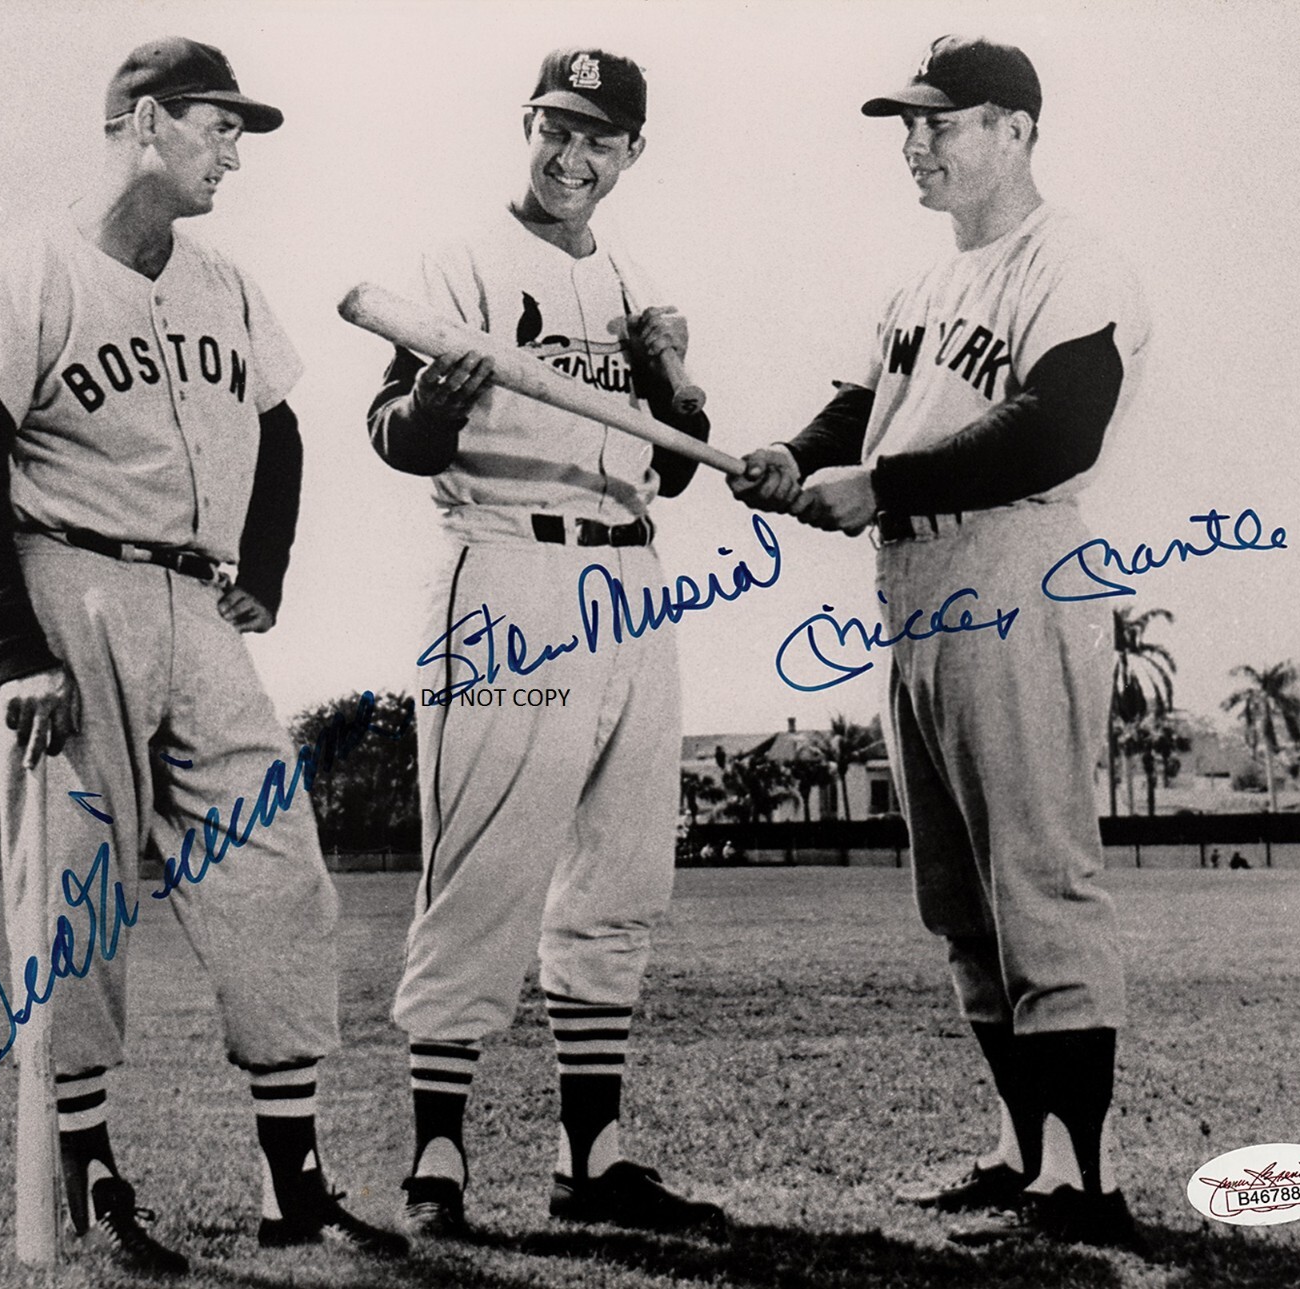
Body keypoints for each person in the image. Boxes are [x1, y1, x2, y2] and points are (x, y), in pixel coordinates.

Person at [0, 37, 405, 1272]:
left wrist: (267, 573)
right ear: (144, 122)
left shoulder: (226, 283)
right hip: (65, 586)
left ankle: (289, 1176)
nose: (233, 150)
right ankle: (87, 1164)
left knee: (277, 871)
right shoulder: (31, 267)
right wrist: (16, 648)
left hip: (194, 602)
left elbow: (282, 429)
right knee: (77, 891)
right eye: (218, 125)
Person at [731, 35, 1149, 1250]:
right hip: (913, 579)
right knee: (957, 896)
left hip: (1017, 560)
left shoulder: (1074, 260)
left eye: (941, 122)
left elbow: (1055, 427)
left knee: (1037, 877)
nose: (914, 144)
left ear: (1014, 130)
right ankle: (1028, 1152)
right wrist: (792, 454)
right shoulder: (921, 289)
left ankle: (1079, 1174)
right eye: (906, 125)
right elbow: (864, 409)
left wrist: (881, 482)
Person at [366, 48, 724, 1241]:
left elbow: (675, 462)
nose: (573, 156)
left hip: (629, 572)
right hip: (506, 562)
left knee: (620, 876)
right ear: (525, 124)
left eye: (599, 138)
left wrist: (671, 368)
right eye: (555, 129)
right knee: (482, 868)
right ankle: (436, 1154)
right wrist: (438, 397)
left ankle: (593, 1153)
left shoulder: (631, 281)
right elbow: (397, 437)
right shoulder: (460, 259)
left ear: (632, 152)